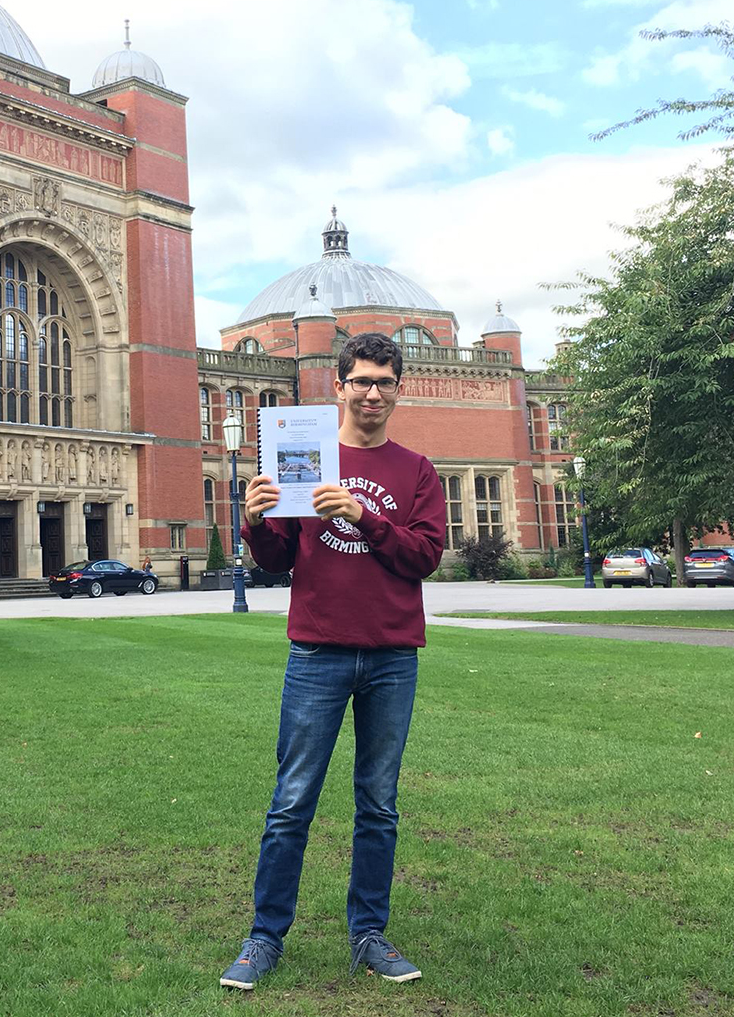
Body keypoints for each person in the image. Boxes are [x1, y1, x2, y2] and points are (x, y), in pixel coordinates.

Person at [220, 332, 445, 991]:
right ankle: (264, 939)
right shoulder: (306, 454)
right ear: (338, 386)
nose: (372, 392)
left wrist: (362, 517)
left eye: (384, 381)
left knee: (378, 804)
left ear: (398, 390)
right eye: (361, 381)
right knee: (292, 801)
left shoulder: (417, 470)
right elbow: (278, 560)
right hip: (317, 650)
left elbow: (424, 557)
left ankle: (369, 935)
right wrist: (257, 521)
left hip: (392, 655)